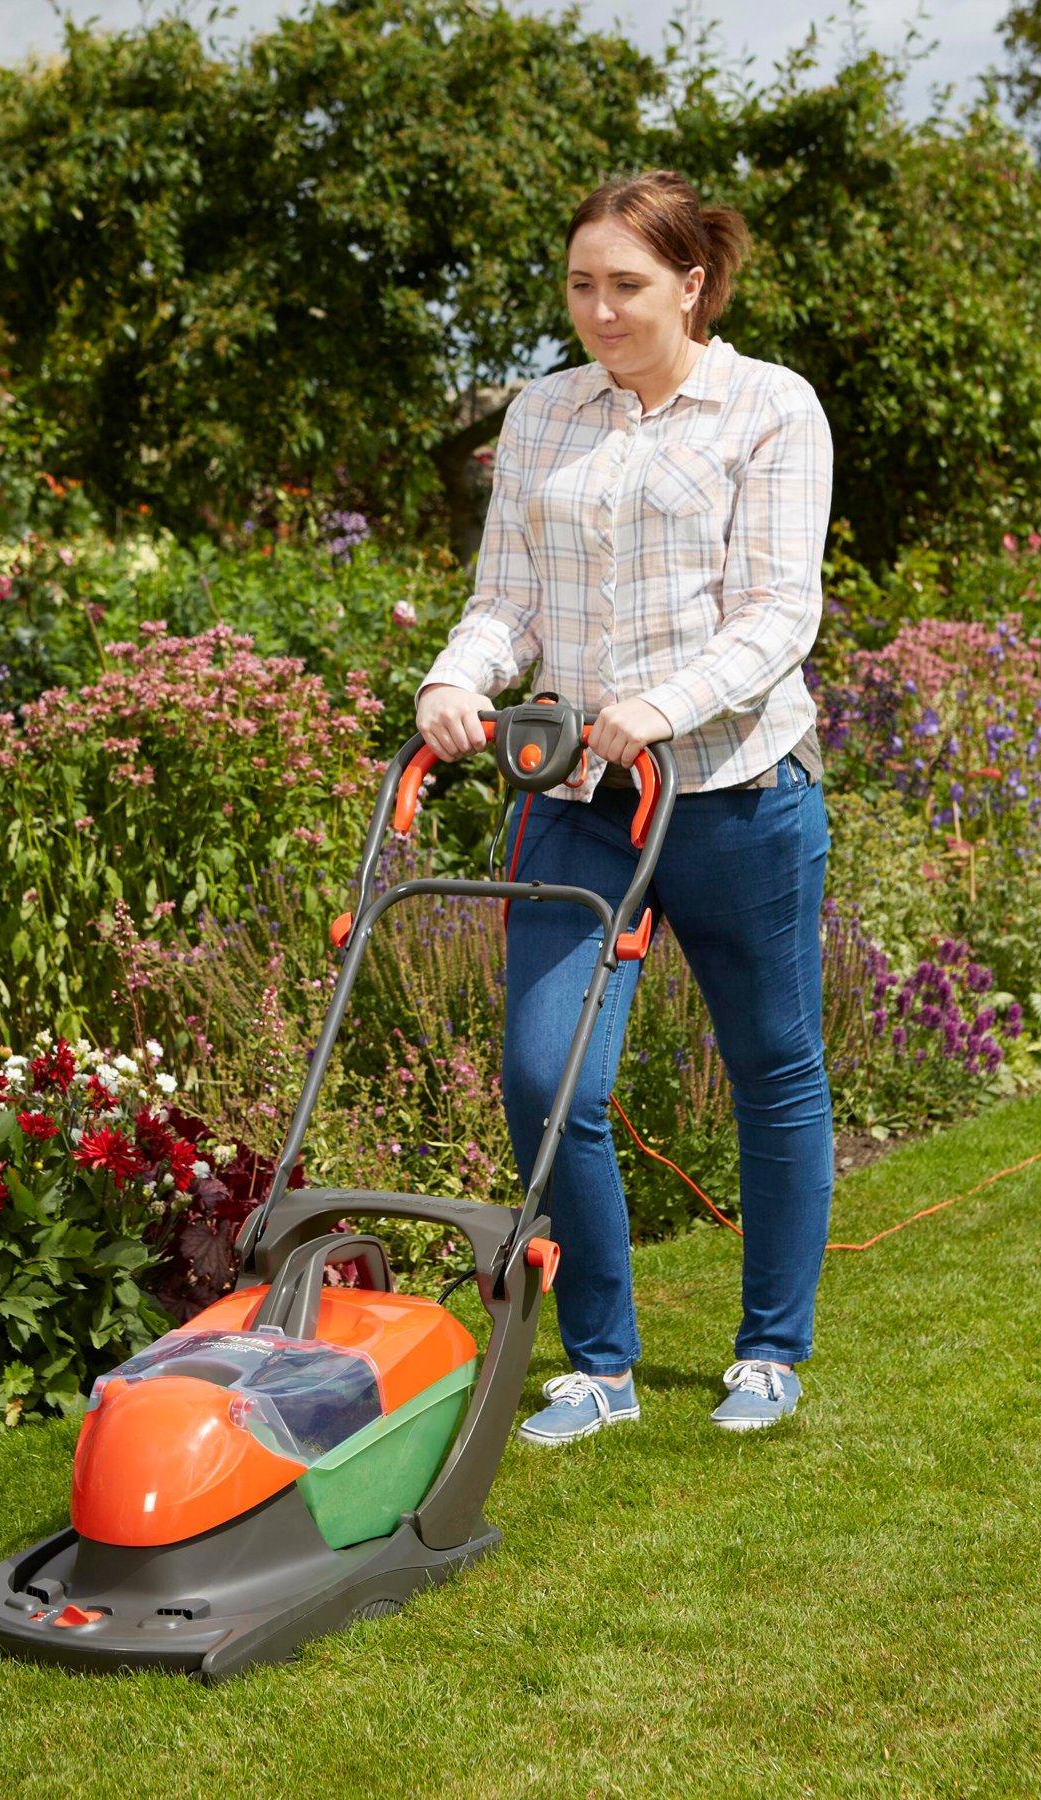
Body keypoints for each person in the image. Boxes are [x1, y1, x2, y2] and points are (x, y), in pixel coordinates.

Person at [414, 170, 835, 1438]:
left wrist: (662, 703)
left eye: (629, 287)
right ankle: (601, 1366)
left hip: (735, 793)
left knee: (771, 1070)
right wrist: (457, 673)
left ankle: (771, 1350)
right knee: (547, 1079)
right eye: (582, 285)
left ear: (692, 284)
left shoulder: (770, 408)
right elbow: (509, 597)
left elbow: (779, 611)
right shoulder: (543, 415)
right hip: (585, 798)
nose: (600, 311)